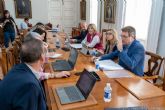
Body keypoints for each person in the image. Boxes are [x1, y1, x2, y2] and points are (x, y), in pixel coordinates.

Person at [0, 33, 70, 110]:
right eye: (45, 53)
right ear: (42, 58)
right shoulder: (29, 86)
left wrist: (54, 75)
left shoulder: (19, 68)